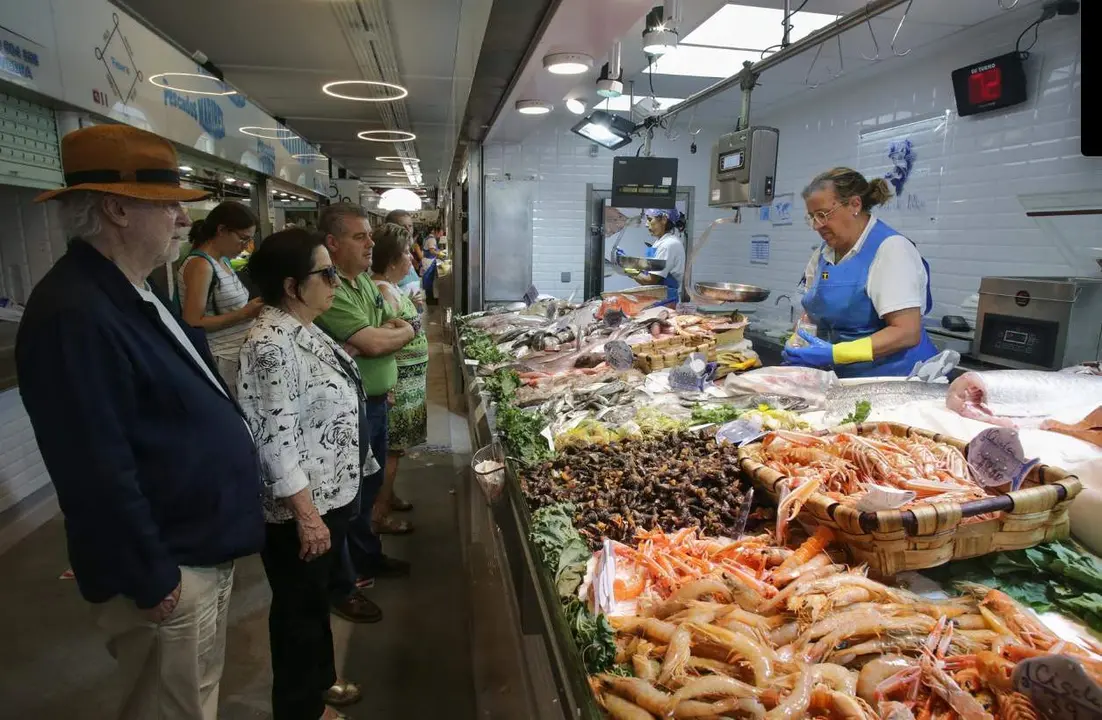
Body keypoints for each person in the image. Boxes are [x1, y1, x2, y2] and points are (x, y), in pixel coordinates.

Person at [16, 124, 263, 720]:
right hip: (170, 570)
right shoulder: (74, 313)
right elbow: (94, 467)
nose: (184, 221)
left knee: (190, 697)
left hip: (196, 548)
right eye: (169, 207)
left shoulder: (131, 290)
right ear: (116, 209)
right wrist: (152, 578)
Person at [237, 229, 371, 720]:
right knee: (297, 613)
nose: (336, 281)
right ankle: (298, 709)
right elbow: (274, 440)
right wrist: (308, 517)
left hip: (329, 496)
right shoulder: (269, 344)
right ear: (293, 285)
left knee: (315, 603)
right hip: (300, 512)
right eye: (326, 272)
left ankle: (320, 682)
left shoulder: (305, 327)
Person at [316, 203, 414, 621]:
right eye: (361, 236)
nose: (371, 243)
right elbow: (375, 342)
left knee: (370, 486)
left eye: (370, 236)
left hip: (373, 401)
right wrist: (387, 336)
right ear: (332, 244)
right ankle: (345, 583)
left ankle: (367, 558)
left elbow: (396, 323)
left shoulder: (361, 284)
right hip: (342, 410)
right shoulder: (331, 289)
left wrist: (395, 333)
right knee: (344, 498)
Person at [782, 166, 938, 377]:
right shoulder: (822, 255)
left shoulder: (892, 249)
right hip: (846, 379)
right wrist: (800, 342)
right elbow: (811, 312)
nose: (817, 226)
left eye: (823, 214)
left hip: (897, 381)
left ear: (855, 204)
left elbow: (906, 333)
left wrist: (835, 354)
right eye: (811, 217)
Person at [370, 223, 429, 535]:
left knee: (394, 450)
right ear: (392, 260)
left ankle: (387, 497)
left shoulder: (390, 288)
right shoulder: (382, 290)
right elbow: (385, 339)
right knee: (390, 452)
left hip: (406, 382)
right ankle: (379, 516)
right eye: (407, 252)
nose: (411, 258)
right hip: (398, 385)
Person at [177, 201, 264, 391]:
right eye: (243, 238)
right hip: (221, 359)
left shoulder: (223, 260)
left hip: (237, 356)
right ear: (222, 230)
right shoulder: (201, 265)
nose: (246, 246)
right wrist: (244, 314)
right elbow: (192, 322)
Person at [627, 208, 686, 304]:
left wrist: (630, 271)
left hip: (664, 300)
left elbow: (651, 281)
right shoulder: (659, 242)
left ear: (664, 220)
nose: (646, 224)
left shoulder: (667, 245)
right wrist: (632, 264)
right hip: (656, 297)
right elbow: (650, 268)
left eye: (650, 219)